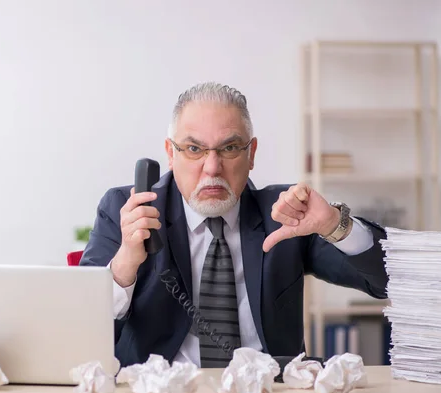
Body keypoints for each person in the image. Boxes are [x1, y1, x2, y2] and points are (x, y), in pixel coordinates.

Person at [79, 82, 388, 368]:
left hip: (268, 390)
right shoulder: (127, 209)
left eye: (228, 148)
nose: (212, 168)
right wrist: (125, 264)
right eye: (194, 149)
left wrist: (335, 224)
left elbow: (385, 282)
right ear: (170, 154)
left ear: (251, 154)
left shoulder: (284, 214)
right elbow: (80, 324)